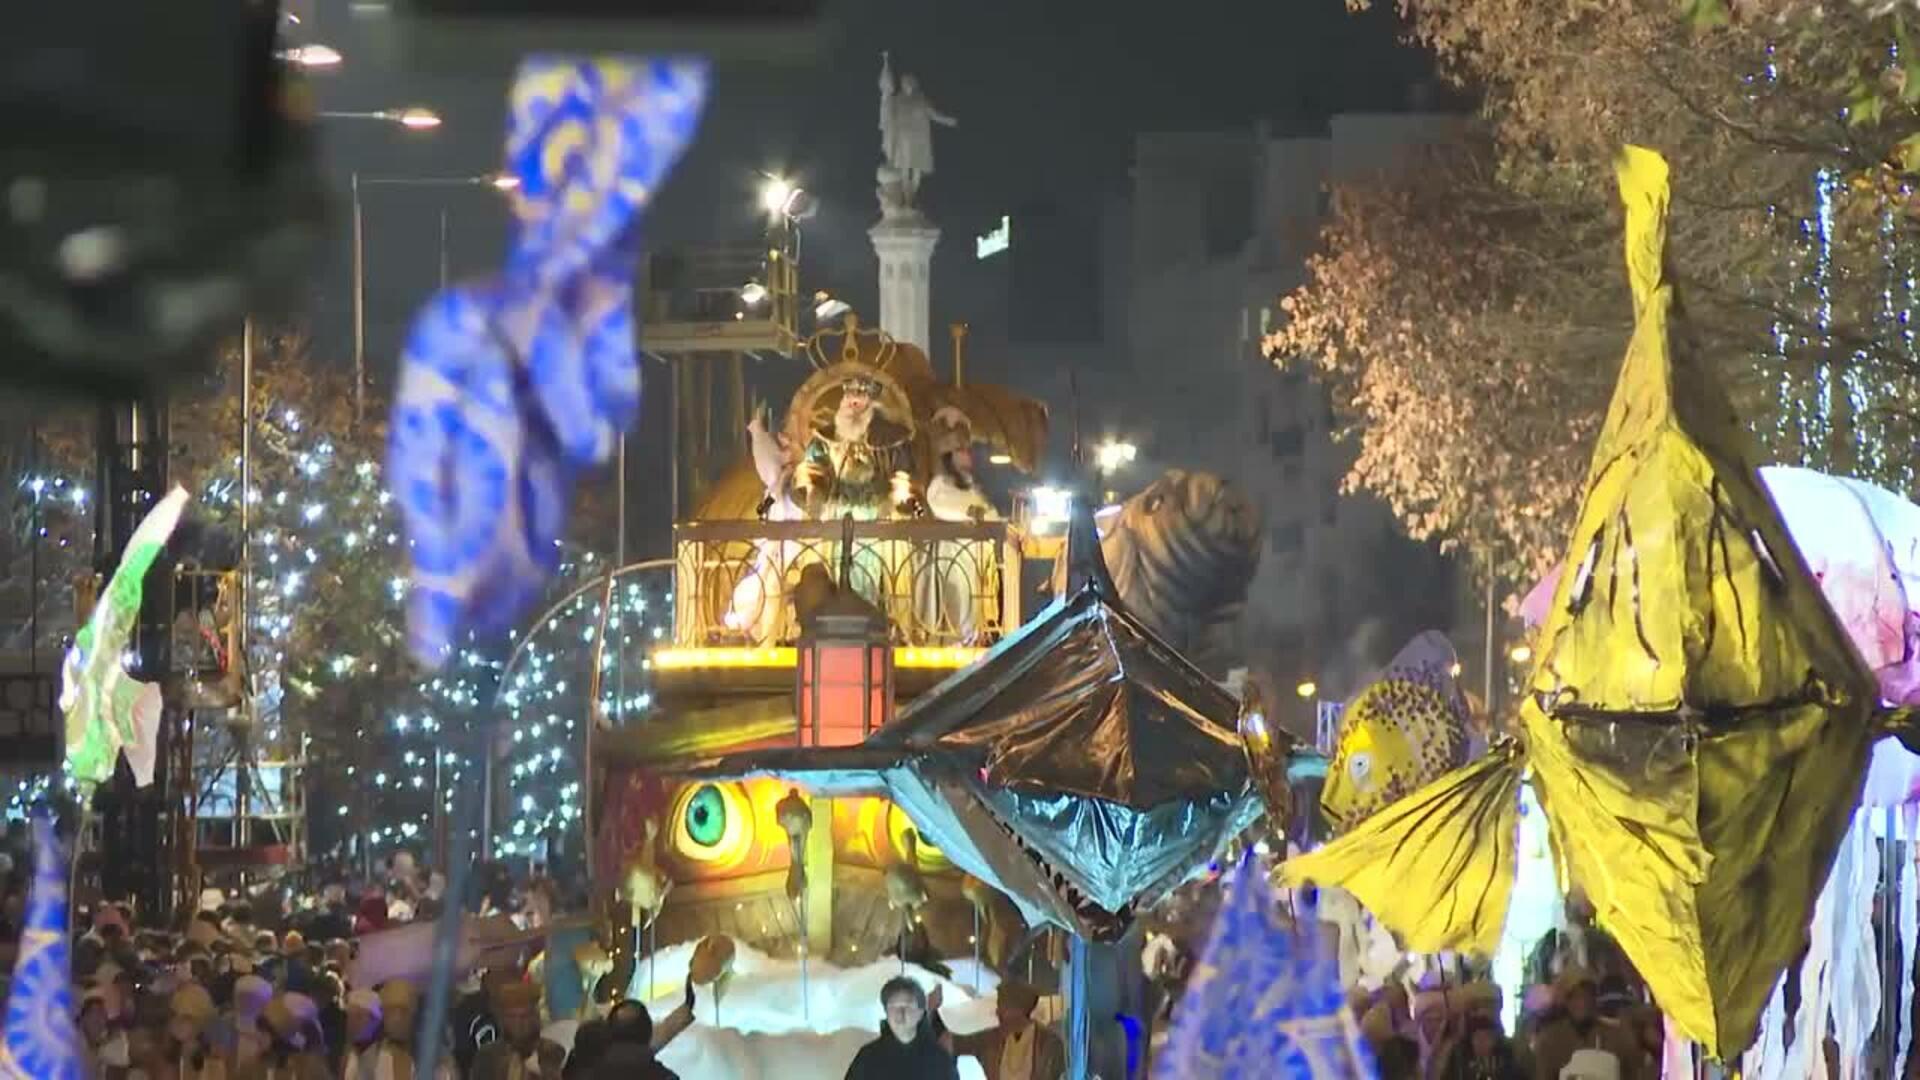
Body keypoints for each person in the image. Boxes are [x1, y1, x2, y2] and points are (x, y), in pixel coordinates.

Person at [933, 981, 1063, 1080]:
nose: (997, 1012)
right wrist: (933, 1011)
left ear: (1017, 1010)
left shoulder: (1050, 1044)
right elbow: (951, 1043)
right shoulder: (991, 1039)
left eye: (1002, 1006)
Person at [1530, 969, 1643, 1080]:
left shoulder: (1617, 1035)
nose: (1583, 1002)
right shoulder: (1550, 1040)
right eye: (1576, 996)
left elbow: (1633, 1072)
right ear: (1566, 1001)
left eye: (1588, 995)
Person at [844, 977, 958, 1080]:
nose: (900, 1013)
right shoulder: (868, 1057)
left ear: (920, 1013)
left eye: (908, 1006)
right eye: (893, 1006)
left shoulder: (938, 1058)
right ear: (886, 1012)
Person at [1439, 1015, 1525, 1080]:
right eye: (1477, 1037)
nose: (1482, 1042)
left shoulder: (1507, 1064)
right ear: (1471, 1040)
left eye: (1487, 1037)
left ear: (1495, 1041)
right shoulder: (1459, 1064)